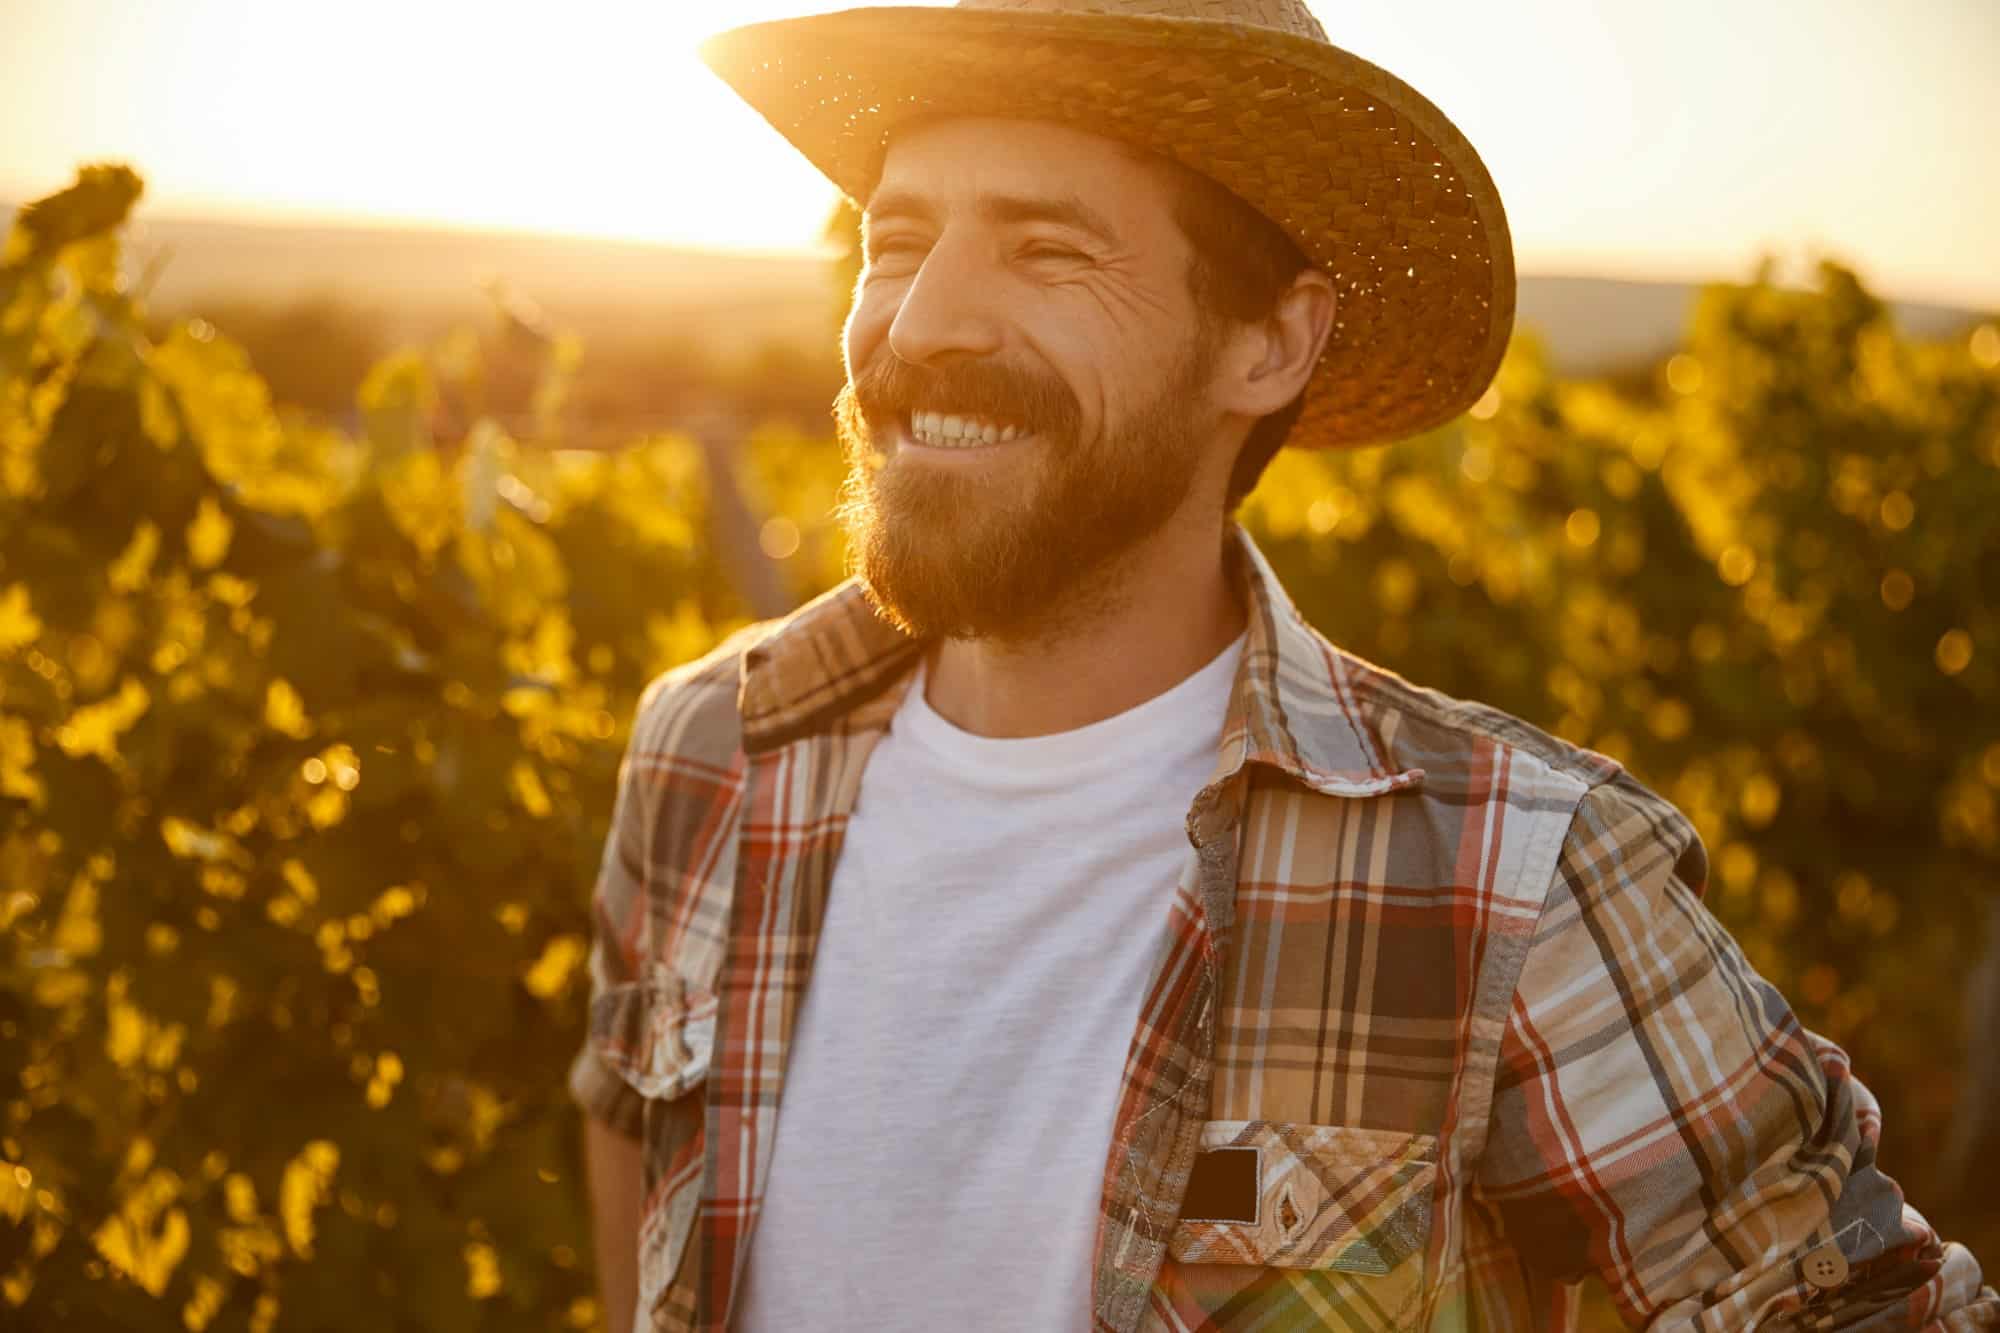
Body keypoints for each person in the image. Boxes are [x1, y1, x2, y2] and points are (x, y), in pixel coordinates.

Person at [568, 1, 1998, 1329]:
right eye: (895, 241)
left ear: (1269, 341)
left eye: (1046, 248)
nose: (924, 319)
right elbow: (641, 1192)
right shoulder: (707, 756)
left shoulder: (1514, 879)